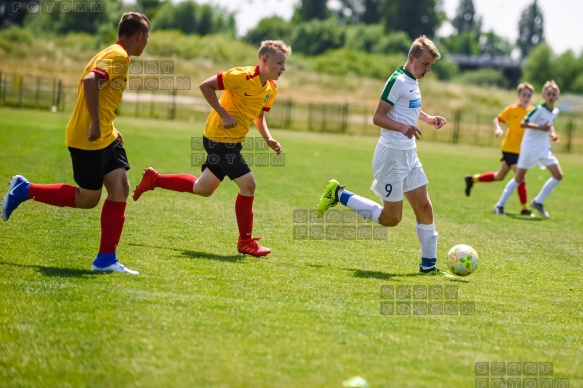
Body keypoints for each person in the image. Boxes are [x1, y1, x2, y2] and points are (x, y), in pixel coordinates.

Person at [1, 12, 151, 274]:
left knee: (120, 189)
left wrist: (110, 128)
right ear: (139, 36)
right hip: (88, 137)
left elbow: (102, 93)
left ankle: (105, 259)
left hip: (106, 136)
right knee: (88, 199)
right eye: (146, 37)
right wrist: (95, 122)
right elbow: (91, 81)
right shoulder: (117, 56)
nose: (146, 43)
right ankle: (24, 189)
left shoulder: (114, 53)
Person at [132, 40, 292, 257]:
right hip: (219, 139)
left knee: (203, 188)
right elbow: (205, 86)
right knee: (249, 185)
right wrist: (224, 114)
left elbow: (259, 116)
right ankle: (245, 241)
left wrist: (269, 139)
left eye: (284, 64)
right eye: (279, 63)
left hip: (233, 142)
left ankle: (154, 179)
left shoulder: (271, 88)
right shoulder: (241, 76)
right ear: (264, 60)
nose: (283, 68)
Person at [316, 35, 453, 277]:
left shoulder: (412, 79)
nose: (427, 70)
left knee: (424, 206)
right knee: (391, 219)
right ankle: (338, 193)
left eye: (430, 66)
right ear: (412, 58)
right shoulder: (397, 80)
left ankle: (429, 265)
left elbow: (408, 105)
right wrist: (402, 127)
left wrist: (427, 118)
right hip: (391, 155)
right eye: (424, 65)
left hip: (409, 154)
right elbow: (377, 117)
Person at [493, 80, 562, 218]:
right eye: (548, 93)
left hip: (543, 148)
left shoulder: (555, 111)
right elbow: (523, 123)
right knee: (519, 178)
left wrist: (552, 134)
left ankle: (538, 201)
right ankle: (499, 205)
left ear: (557, 97)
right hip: (529, 148)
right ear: (543, 96)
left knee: (558, 175)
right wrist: (540, 128)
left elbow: (549, 124)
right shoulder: (538, 109)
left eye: (553, 94)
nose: (551, 96)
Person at [464, 83, 535, 216]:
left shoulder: (532, 111)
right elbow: (497, 119)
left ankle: (472, 179)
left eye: (529, 95)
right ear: (518, 95)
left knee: (499, 176)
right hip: (509, 149)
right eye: (524, 95)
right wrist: (498, 128)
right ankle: (525, 209)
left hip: (522, 151)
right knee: (521, 177)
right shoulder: (512, 109)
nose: (526, 97)